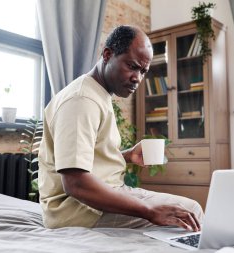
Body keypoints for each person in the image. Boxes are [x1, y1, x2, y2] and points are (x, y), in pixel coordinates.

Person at [38, 25, 203, 232]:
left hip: (103, 195)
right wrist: (149, 211)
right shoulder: (82, 100)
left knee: (188, 211)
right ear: (107, 54)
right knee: (189, 213)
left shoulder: (97, 93)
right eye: (132, 66)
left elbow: (87, 157)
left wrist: (126, 155)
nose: (138, 78)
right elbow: (75, 183)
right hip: (77, 212)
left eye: (143, 71)